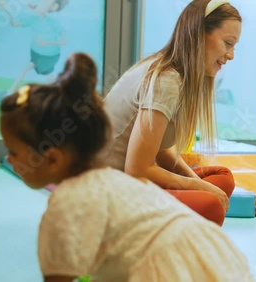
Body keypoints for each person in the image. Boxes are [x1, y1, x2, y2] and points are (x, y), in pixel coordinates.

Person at [0, 52, 254, 282]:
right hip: (218, 258)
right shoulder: (113, 181)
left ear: (53, 159)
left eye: (13, 151)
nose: (9, 159)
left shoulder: (64, 204)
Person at [102, 0, 241, 226]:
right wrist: (202, 188)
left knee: (222, 179)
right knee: (211, 205)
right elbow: (137, 170)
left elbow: (161, 150)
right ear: (198, 34)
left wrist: (198, 183)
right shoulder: (167, 80)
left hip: (133, 180)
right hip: (112, 185)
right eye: (228, 43)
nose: (231, 55)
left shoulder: (178, 75)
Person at [0, 0, 68, 103]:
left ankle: (64, 97)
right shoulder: (34, 19)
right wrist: (6, 9)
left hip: (47, 56)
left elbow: (64, 40)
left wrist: (47, 42)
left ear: (54, 7)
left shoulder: (53, 23)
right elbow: (15, 23)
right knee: (35, 72)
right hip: (36, 54)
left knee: (48, 76)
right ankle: (8, 95)